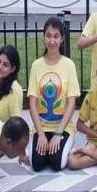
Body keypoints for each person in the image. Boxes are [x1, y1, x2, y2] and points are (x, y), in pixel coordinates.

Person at [28, 17, 80, 171]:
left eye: (56, 36)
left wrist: (58, 133)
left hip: (62, 127)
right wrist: (41, 134)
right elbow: (32, 103)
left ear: (62, 39)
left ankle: (66, 143)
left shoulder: (69, 65)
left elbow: (71, 103)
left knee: (57, 163)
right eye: (48, 35)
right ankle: (40, 145)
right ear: (44, 37)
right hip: (41, 126)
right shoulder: (36, 65)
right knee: (37, 164)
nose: (52, 40)